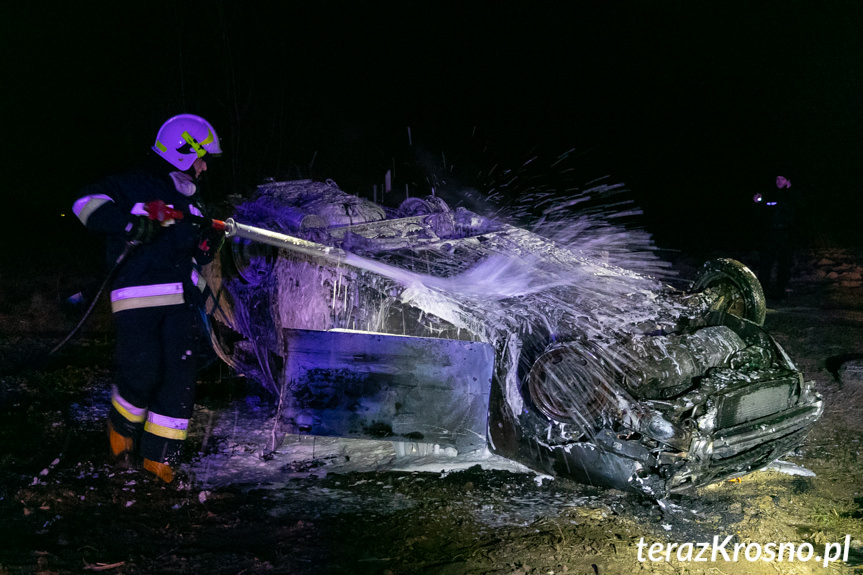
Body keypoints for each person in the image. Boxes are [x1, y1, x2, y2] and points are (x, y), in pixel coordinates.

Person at [72, 114, 224, 483]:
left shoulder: (196, 206)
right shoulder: (133, 185)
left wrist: (210, 240)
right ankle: (121, 430)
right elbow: (84, 204)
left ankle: (159, 460)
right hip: (137, 298)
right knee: (142, 371)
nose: (205, 168)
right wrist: (128, 223)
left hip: (181, 303)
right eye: (202, 158)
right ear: (184, 151)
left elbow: (201, 256)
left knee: (179, 380)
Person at [752, 171, 804, 300]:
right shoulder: (770, 194)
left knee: (784, 264)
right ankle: (762, 291)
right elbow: (760, 213)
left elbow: (800, 207)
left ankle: (780, 291)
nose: (779, 181)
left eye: (782, 179)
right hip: (770, 234)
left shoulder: (793, 195)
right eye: (777, 179)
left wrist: (790, 190)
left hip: (786, 235)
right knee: (765, 264)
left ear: (787, 181)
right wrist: (757, 203)